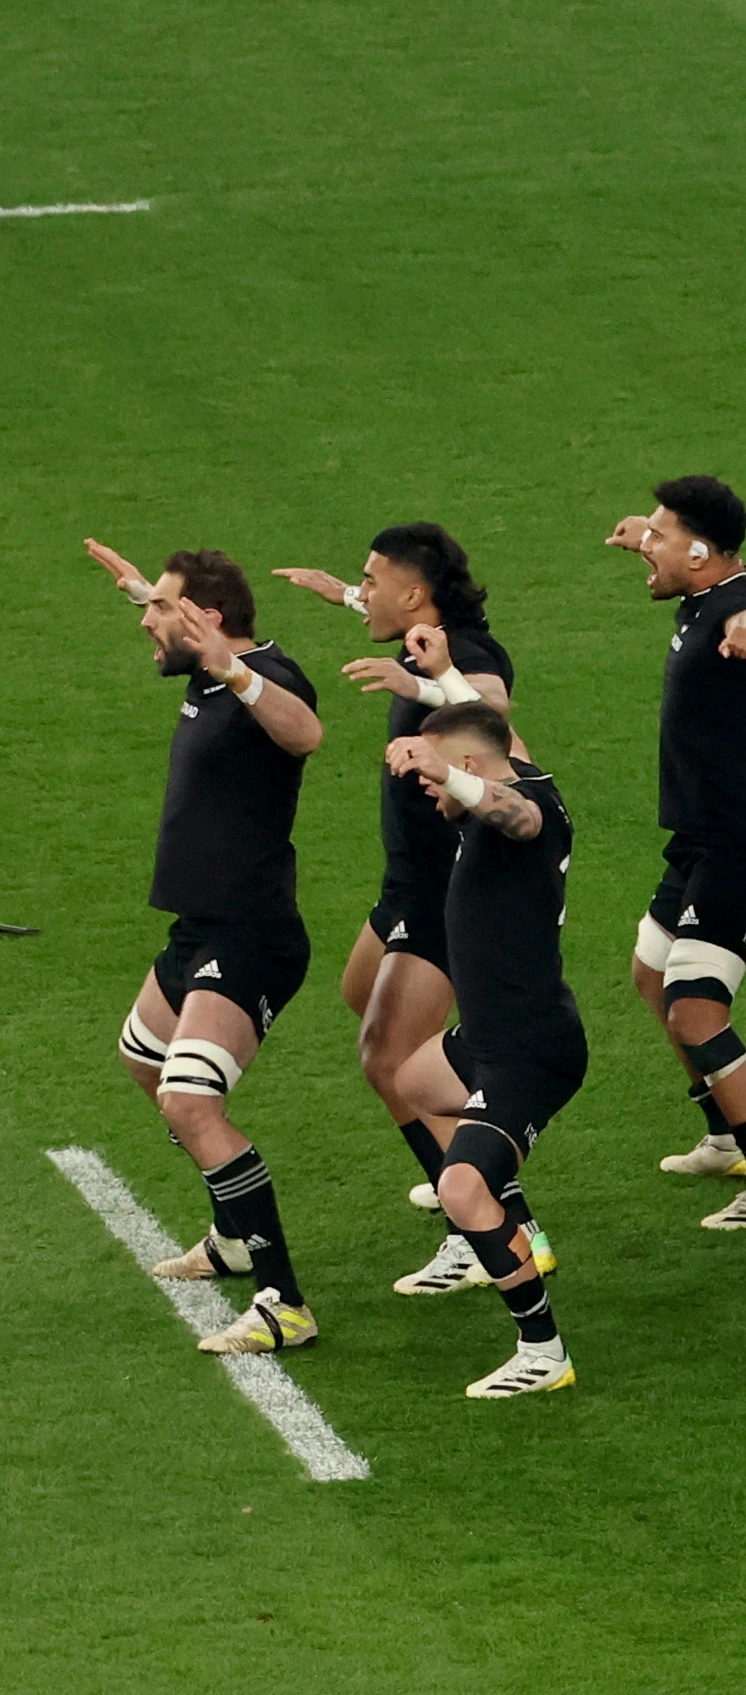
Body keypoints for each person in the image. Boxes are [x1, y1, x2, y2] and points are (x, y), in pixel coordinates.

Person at [85, 541, 327, 1355]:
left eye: (161, 608)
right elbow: (189, 638)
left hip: (251, 933)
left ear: (207, 620)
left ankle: (283, 1303)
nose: (147, 622)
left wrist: (233, 670)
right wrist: (138, 591)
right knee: (145, 1064)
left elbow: (306, 734)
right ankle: (231, 1237)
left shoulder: (265, 678)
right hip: (196, 928)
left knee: (190, 1104)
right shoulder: (203, 665)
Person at [269, 525, 525, 1238]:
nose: (364, 590)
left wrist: (416, 683)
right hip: (408, 883)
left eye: (372, 580)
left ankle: (493, 1224)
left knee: (387, 1059)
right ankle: (469, 1136)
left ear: (416, 596)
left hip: (448, 889)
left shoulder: (465, 654)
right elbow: (393, 615)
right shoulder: (424, 630)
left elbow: (491, 709)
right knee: (363, 996)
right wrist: (342, 593)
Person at [608, 476, 746, 1230]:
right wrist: (646, 540)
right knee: (651, 975)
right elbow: (695, 574)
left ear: (701, 552)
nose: (645, 548)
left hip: (743, 842)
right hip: (699, 837)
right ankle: (723, 1135)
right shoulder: (700, 592)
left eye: (661, 538)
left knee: (695, 1009)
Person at [379, 703, 589, 1396]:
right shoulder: (521, 772)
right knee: (414, 1082)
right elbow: (499, 740)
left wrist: (446, 771)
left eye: (435, 781)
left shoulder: (526, 814)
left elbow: (514, 813)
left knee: (461, 1187)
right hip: (488, 1036)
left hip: (529, 1048)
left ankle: (543, 1351)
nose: (428, 794)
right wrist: (436, 674)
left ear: (465, 769)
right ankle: (515, 1227)